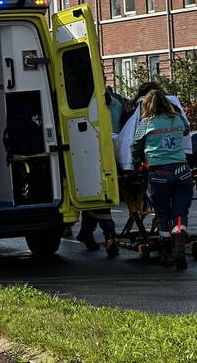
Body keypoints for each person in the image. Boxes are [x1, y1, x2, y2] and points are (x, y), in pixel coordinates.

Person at [131, 89, 191, 269]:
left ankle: (167, 252)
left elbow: (135, 146)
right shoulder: (177, 119)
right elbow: (187, 131)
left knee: (163, 214)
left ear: (147, 105)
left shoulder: (146, 123)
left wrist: (137, 164)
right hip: (182, 170)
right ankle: (179, 250)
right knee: (180, 214)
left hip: (159, 174)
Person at [78, 87, 127, 255]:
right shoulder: (118, 100)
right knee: (99, 197)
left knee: (97, 197)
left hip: (94, 150)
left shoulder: (83, 97)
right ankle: (105, 233)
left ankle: (92, 233)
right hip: (111, 150)